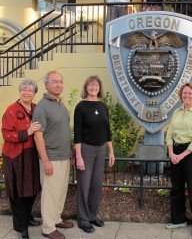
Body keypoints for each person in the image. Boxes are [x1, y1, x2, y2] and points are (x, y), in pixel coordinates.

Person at [33, 71, 73, 239]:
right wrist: (46, 161)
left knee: (61, 191)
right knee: (50, 194)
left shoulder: (60, 104)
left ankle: (56, 218)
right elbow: (38, 135)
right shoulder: (42, 107)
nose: (58, 84)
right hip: (52, 159)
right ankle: (48, 228)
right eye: (55, 82)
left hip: (64, 156)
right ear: (46, 85)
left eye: (61, 81)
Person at [74, 75, 115, 233]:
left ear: (99, 88)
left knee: (97, 185)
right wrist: (78, 156)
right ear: (86, 88)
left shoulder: (103, 106)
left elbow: (108, 131)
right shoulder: (81, 107)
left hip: (101, 149)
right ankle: (83, 219)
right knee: (84, 185)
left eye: (96, 85)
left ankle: (92, 215)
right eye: (90, 85)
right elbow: (77, 133)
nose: (93, 88)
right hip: (86, 149)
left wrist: (111, 151)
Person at [165, 83, 192, 237]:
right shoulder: (176, 112)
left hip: (190, 154)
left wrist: (181, 156)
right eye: (184, 93)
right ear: (181, 96)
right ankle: (178, 220)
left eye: (189, 93)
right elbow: (169, 133)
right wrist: (171, 152)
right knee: (176, 188)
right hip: (175, 152)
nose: (187, 96)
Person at [1, 79, 41, 239]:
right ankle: (21, 227)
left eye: (30, 90)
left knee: (32, 189)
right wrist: (28, 131)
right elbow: (6, 133)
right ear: (20, 92)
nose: (27, 92)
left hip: (32, 154)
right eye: (24, 90)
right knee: (17, 192)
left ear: (34, 93)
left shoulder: (36, 108)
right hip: (15, 155)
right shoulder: (11, 110)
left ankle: (27, 216)